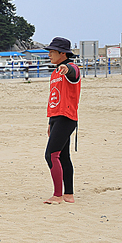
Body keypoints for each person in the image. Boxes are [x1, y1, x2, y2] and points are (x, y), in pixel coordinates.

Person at [44, 37, 81, 204]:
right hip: (57, 118)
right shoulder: (54, 73)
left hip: (66, 118)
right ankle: (69, 194)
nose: (49, 55)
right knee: (63, 156)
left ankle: (57, 195)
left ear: (62, 53)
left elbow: (74, 73)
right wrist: (50, 123)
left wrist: (67, 68)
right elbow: (54, 100)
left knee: (51, 155)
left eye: (52, 52)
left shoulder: (71, 68)